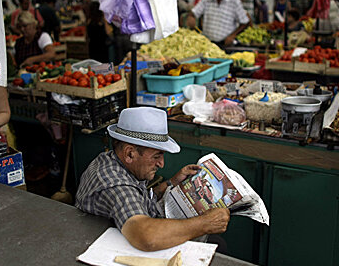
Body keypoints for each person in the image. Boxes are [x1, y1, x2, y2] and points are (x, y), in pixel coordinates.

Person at [75, 107, 230, 251]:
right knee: (217, 245)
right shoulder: (115, 184)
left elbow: (138, 197)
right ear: (130, 153)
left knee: (215, 242)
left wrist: (171, 183)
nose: (161, 164)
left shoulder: (114, 160)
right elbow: (146, 236)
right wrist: (205, 223)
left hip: (129, 232)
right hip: (116, 247)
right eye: (156, 156)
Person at [186, 0, 250, 48]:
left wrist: (233, 35)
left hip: (226, 45)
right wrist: (191, 17)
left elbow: (245, 22)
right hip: (208, 44)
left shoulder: (234, 1)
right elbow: (193, 13)